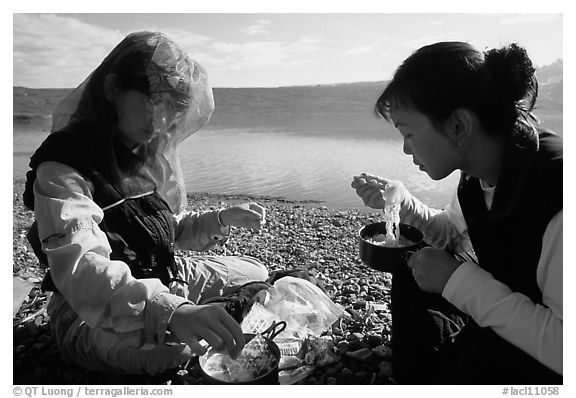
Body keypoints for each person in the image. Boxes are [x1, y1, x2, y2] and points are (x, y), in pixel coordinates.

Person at [23, 31, 270, 376]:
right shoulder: (64, 167)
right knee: (175, 356)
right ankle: (191, 314)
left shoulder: (139, 153)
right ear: (112, 89)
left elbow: (166, 230)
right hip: (87, 311)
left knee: (257, 271)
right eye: (153, 101)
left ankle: (194, 311)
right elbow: (82, 268)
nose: (162, 120)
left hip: (162, 275)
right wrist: (173, 312)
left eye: (173, 108)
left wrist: (219, 219)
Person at [351, 41, 562, 384]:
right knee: (414, 265)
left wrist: (458, 281)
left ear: (459, 125)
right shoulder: (482, 170)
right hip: (515, 305)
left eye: (408, 133)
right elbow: (451, 233)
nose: (405, 148)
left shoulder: (558, 193)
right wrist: (403, 203)